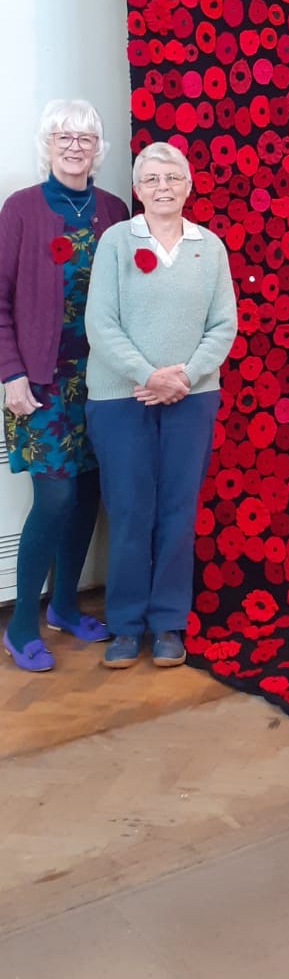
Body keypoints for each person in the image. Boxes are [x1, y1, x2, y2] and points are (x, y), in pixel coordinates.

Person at [85, 142, 237, 668]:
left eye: (172, 178)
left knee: (177, 511)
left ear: (189, 185)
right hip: (120, 398)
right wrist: (148, 375)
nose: (162, 187)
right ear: (137, 189)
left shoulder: (209, 246)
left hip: (192, 399)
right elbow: (100, 323)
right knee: (129, 511)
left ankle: (169, 623)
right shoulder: (115, 243)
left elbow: (224, 325)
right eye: (150, 180)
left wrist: (184, 377)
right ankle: (126, 625)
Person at [0, 100, 128, 672]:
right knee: (54, 499)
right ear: (47, 145)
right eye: (63, 136)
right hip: (40, 382)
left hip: (102, 381)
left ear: (98, 148)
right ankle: (24, 621)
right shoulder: (21, 209)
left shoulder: (114, 209)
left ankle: (67, 607)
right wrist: (11, 374)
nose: (74, 146)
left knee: (88, 498)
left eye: (85, 137)